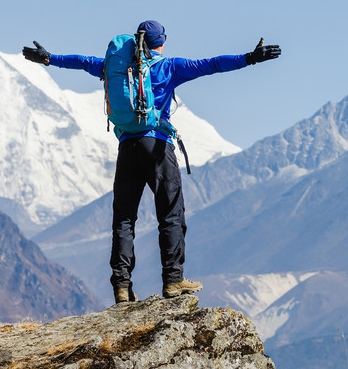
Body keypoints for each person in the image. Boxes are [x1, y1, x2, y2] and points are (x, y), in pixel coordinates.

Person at [22, 20, 281, 303]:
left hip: (127, 145)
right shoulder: (169, 67)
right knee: (170, 213)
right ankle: (173, 280)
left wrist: (48, 59)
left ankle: (122, 288)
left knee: (123, 218)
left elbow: (83, 62)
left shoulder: (116, 66)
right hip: (156, 145)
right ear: (162, 42)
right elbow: (212, 64)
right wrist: (250, 59)